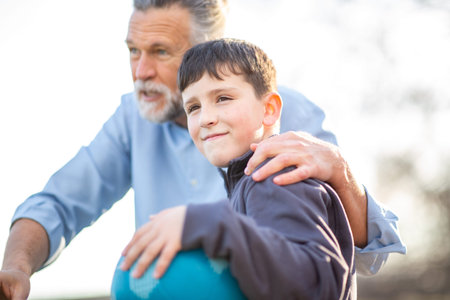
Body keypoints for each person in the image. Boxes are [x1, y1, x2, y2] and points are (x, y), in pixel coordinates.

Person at [0, 0, 405, 299]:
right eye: (132, 52)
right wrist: (16, 268)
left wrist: (340, 171)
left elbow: (349, 261)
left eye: (160, 51)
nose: (140, 71)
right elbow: (60, 203)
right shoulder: (134, 116)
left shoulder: (283, 119)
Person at [121, 38, 356, 299]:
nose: (206, 118)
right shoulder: (250, 185)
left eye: (223, 98)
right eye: (194, 107)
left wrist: (206, 222)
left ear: (269, 109)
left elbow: (318, 285)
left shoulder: (275, 179)